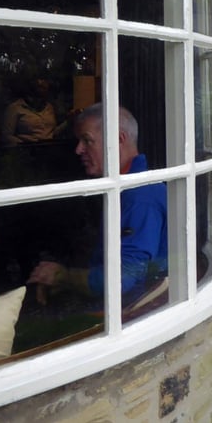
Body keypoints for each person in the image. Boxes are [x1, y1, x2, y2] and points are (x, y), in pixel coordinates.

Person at [26, 104, 167, 307]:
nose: (78, 149)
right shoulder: (128, 188)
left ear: (118, 139)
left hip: (130, 314)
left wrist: (63, 277)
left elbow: (123, 278)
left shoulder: (140, 198)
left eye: (87, 140)